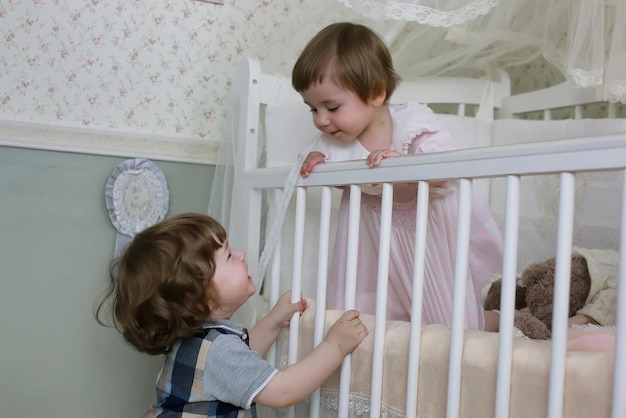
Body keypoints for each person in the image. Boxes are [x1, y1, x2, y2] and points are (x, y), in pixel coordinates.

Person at [292, 22, 503, 331]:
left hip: (427, 237)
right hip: (372, 240)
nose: (322, 120)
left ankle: (500, 322)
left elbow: (445, 170)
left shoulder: (413, 124)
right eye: (312, 109)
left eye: (332, 106)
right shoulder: (339, 142)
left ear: (376, 92)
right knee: (367, 308)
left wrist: (407, 165)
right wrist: (316, 163)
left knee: (451, 319)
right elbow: (334, 176)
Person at [95, 212, 368, 417]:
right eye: (227, 256)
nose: (241, 254)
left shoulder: (199, 341)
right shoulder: (218, 350)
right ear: (200, 296)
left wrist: (273, 321)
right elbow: (284, 391)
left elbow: (242, 360)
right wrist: (335, 346)